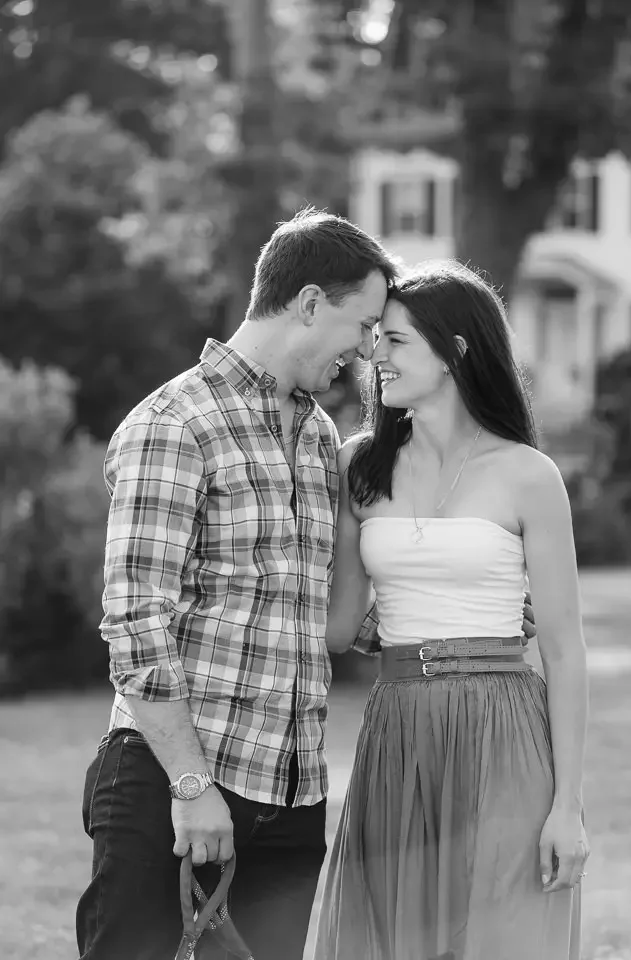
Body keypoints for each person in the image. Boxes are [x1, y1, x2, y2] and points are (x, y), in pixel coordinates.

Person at [75, 208, 398, 960]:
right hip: (175, 786)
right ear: (311, 303)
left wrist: (459, 623)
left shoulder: (317, 433)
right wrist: (191, 786)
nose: (365, 351)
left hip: (290, 795)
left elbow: (310, 597)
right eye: (363, 324)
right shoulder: (175, 422)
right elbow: (136, 622)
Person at [313, 262, 589, 960]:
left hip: (506, 733)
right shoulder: (358, 466)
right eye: (375, 337)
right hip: (399, 733)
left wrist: (568, 806)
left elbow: (563, 648)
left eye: (396, 341)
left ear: (456, 350)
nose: (375, 355)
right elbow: (339, 626)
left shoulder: (528, 474)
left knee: (502, 939)